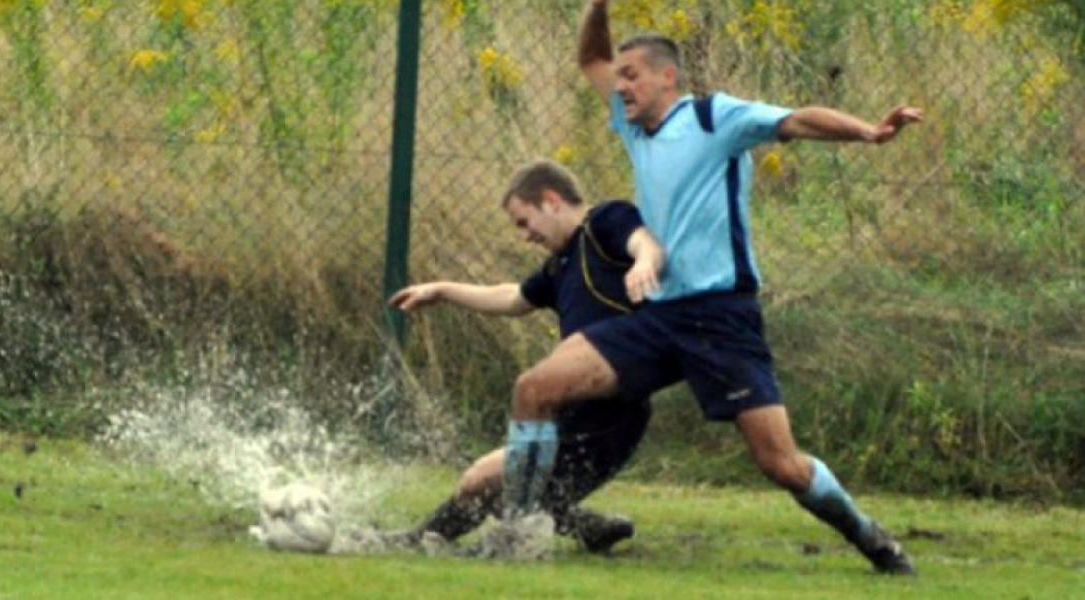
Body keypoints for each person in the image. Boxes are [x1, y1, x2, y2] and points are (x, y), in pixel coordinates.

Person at [487, 0, 925, 575]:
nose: (619, 87)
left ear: (667, 76)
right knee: (536, 388)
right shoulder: (632, 125)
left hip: (722, 318)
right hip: (659, 317)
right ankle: (517, 536)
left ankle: (875, 542)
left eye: (632, 76)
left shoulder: (716, 117)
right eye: (619, 79)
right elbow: (590, 56)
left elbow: (796, 120)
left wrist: (867, 132)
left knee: (780, 464)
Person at [384, 159, 665, 554]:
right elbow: (514, 297)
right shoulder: (560, 264)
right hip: (572, 413)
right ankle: (586, 526)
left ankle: (419, 542)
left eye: (523, 221)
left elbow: (641, 240)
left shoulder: (603, 222)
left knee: (492, 485)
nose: (525, 235)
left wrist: (645, 262)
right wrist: (444, 290)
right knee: (482, 483)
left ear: (550, 201)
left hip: (608, 416)